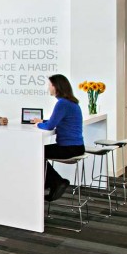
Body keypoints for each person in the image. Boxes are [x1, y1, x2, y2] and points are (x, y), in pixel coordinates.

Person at [32, 74, 85, 202]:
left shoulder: (62, 103)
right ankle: (51, 183)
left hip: (69, 148)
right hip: (76, 147)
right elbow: (57, 121)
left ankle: (56, 182)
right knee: (39, 151)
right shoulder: (71, 103)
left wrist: (39, 124)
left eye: (49, 85)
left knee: (36, 152)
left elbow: (50, 126)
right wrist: (43, 121)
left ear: (56, 87)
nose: (48, 88)